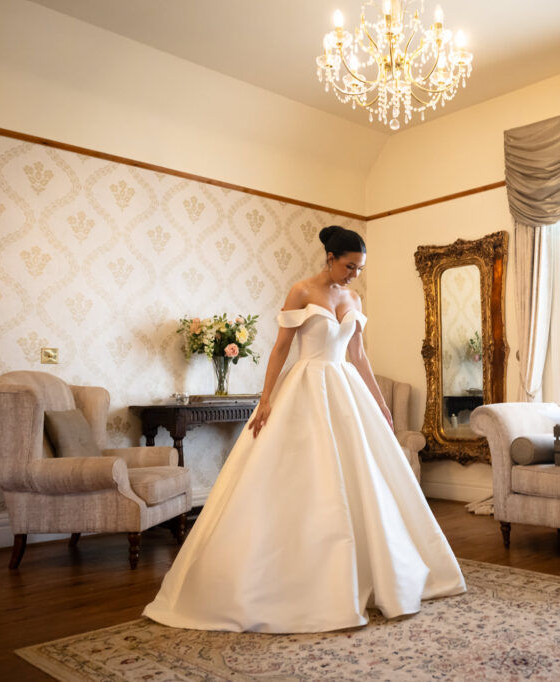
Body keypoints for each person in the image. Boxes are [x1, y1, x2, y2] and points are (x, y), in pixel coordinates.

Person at [143, 225, 466, 633]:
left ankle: (373, 573)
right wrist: (266, 399)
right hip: (306, 385)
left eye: (360, 268)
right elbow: (280, 348)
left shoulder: (353, 297)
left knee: (362, 477)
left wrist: (381, 403)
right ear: (330, 258)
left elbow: (358, 354)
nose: (354, 275)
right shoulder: (301, 292)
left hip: (346, 389)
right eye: (349, 266)